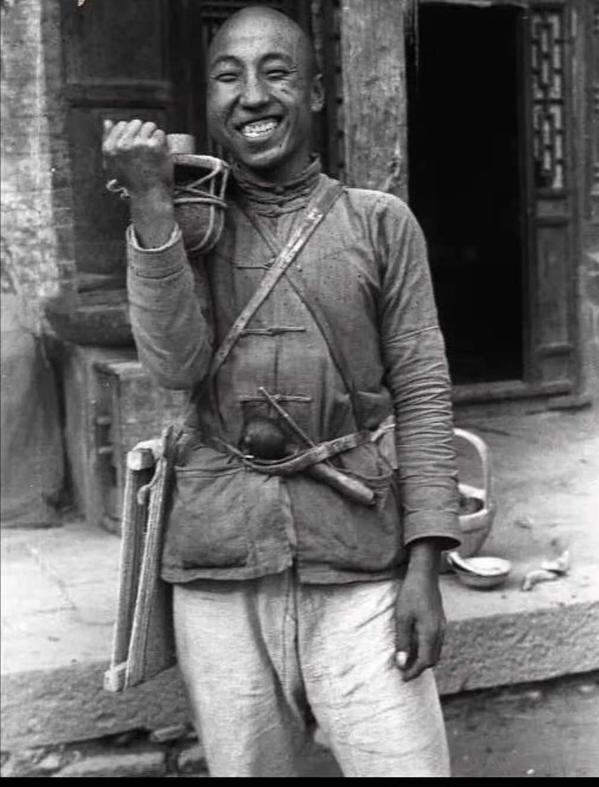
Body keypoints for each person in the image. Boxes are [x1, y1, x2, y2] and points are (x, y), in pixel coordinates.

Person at [102, 5, 461, 777]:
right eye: (228, 77)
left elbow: (425, 395)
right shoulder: (186, 224)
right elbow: (174, 364)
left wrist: (426, 566)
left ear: (318, 91)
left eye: (277, 73)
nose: (253, 96)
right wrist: (150, 203)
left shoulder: (382, 225)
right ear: (209, 100)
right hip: (218, 559)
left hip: (359, 555)